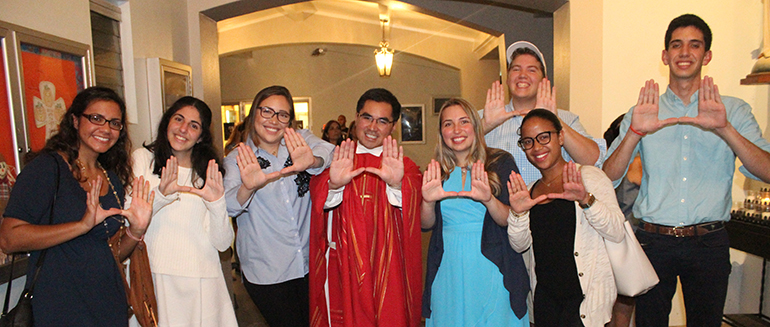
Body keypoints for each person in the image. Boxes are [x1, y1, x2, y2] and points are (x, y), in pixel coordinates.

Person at [603, 14, 770, 327]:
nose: (684, 52)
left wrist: (725, 129)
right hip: (653, 241)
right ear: (665, 55)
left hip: (709, 242)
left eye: (695, 45)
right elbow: (609, 176)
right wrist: (634, 133)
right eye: (676, 45)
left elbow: (766, 171)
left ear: (706, 55)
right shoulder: (642, 111)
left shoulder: (732, 110)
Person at [0, 87, 154, 327]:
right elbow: (9, 239)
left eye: (114, 123)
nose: (106, 129)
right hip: (61, 306)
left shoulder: (110, 177)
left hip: (107, 303)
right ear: (74, 120)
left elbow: (109, 254)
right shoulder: (47, 169)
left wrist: (136, 230)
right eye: (96, 118)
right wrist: (81, 225)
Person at [308, 88, 422, 327]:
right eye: (367, 117)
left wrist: (398, 185)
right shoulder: (338, 160)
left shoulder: (406, 167)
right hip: (343, 266)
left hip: (389, 267)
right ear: (356, 118)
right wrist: (334, 185)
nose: (372, 127)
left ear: (393, 127)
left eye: (382, 121)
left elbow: (416, 216)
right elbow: (320, 203)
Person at [224, 85, 334, 327]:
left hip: (307, 263)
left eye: (282, 114)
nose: (274, 120)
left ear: (289, 120)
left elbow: (330, 151)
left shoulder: (299, 140)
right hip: (267, 271)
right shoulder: (238, 158)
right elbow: (229, 206)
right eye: (267, 112)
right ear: (254, 114)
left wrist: (312, 161)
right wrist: (248, 186)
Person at [507, 109, 625, 327]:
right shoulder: (530, 191)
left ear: (560, 137)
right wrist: (518, 213)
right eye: (528, 142)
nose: (536, 147)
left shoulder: (589, 177)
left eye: (544, 137)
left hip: (585, 303)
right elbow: (519, 245)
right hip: (545, 302)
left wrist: (586, 200)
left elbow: (617, 232)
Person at [421, 98, 529, 326]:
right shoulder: (437, 169)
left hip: (492, 265)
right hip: (447, 268)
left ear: (476, 127)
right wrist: (428, 202)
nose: (456, 130)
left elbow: (509, 220)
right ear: (441, 132)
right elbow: (426, 224)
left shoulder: (499, 162)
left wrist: (489, 199)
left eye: (464, 121)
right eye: (448, 124)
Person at [131, 96, 236, 326]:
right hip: (156, 277)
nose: (183, 129)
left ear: (201, 137)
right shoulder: (143, 160)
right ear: (167, 121)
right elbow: (133, 220)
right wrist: (160, 195)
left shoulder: (208, 172)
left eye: (194, 125)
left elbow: (222, 243)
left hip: (203, 280)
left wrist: (216, 202)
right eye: (179, 119)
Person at [480, 41, 605, 185]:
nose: (522, 75)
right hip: (499, 206)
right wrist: (485, 126)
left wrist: (554, 120)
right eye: (516, 69)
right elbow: (451, 157)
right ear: (507, 79)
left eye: (532, 70)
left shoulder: (566, 119)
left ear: (543, 80)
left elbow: (594, 161)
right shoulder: (484, 118)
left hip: (552, 204)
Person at [604, 114, 641, 327]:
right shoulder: (635, 163)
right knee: (624, 307)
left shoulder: (608, 163)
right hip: (631, 240)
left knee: (615, 304)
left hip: (615, 239)